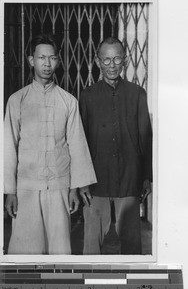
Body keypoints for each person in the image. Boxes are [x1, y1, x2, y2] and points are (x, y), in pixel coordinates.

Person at [4, 33, 97, 255]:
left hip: (59, 186)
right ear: (30, 60)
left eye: (52, 58)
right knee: (25, 251)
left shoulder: (68, 101)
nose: (47, 64)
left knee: (60, 250)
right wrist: (9, 192)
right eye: (41, 57)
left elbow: (77, 146)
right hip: (26, 187)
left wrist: (75, 189)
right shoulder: (17, 100)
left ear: (58, 61)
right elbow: (8, 147)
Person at [79, 37, 152, 255]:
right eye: (106, 59)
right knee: (91, 245)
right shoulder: (87, 95)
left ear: (125, 60)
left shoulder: (137, 93)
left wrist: (147, 176)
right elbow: (80, 141)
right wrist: (81, 181)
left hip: (130, 180)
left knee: (131, 244)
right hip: (95, 182)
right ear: (98, 61)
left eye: (117, 58)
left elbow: (145, 138)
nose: (112, 65)